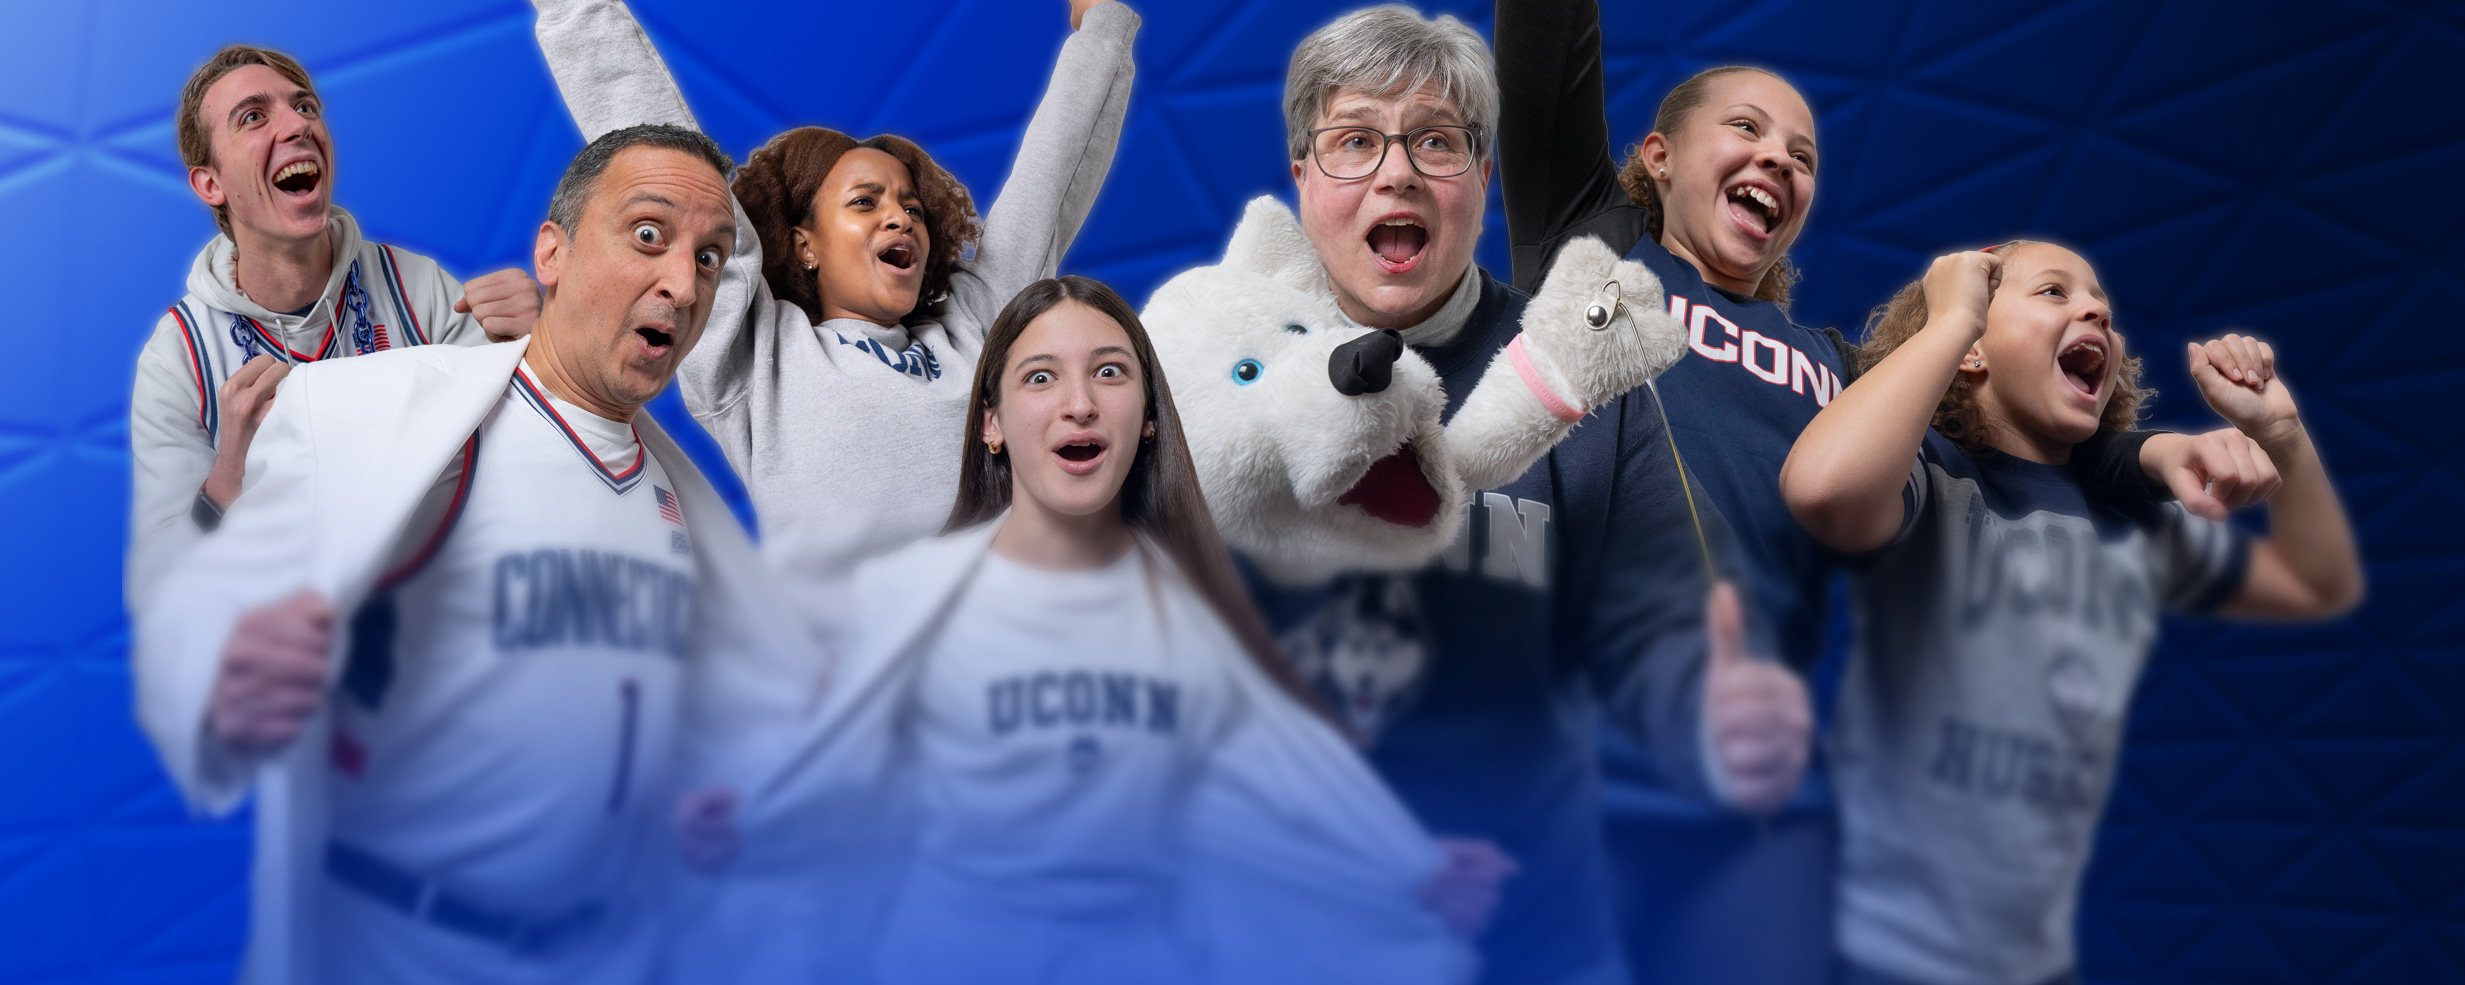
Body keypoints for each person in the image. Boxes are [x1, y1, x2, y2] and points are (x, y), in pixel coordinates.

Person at [1489, 8, 2252, 981]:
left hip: (1742, 784)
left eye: (1802, 156)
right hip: (1554, 741)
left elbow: (1999, 444)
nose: (1779, 158)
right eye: (1746, 128)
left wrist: (2145, 455)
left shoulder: (1835, 369)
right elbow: (1544, 44)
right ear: (1659, 158)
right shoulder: (1594, 249)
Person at [130, 123, 813, 985]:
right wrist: (231, 681)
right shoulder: (362, 416)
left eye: (709, 258)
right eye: (648, 235)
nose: (683, 282)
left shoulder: (684, 507)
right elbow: (200, 651)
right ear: (551, 253)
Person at [675, 276, 1495, 984]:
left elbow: (1292, 762)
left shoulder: (1188, 608)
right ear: (992, 423)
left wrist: (1414, 868)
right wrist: (743, 818)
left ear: (1148, 418)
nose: (1079, 402)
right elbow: (831, 763)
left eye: (1110, 372)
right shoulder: (912, 594)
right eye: (1041, 377)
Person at [1231, 8, 1815, 983]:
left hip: (1534, 942)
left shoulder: (1581, 381)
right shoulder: (1216, 376)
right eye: (1355, 142)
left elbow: (1666, 623)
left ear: (1484, 177)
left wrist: (1716, 711)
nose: (1396, 172)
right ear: (1301, 177)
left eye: (1436, 142)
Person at [1780, 242, 2364, 985]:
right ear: (1972, 349)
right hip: (1881, 951)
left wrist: (2282, 434)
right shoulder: (1929, 480)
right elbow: (1825, 490)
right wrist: (1952, 319)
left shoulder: (2137, 521)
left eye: (2101, 305)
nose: (2096, 310)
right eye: (2053, 292)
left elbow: (2317, 584)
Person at [531, 0, 1136, 629]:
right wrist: (575, 10)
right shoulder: (757, 353)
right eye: (865, 202)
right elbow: (663, 157)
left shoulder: (971, 330)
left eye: (912, 208)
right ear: (804, 244)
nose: (899, 217)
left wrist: (1103, 27)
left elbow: (1049, 184)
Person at [128, 44, 542, 610]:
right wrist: (228, 478)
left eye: (305, 107)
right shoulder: (178, 359)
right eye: (254, 117)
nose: (298, 124)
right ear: (210, 185)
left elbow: (523, 472)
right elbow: (163, 585)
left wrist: (539, 353)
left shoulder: (420, 290)